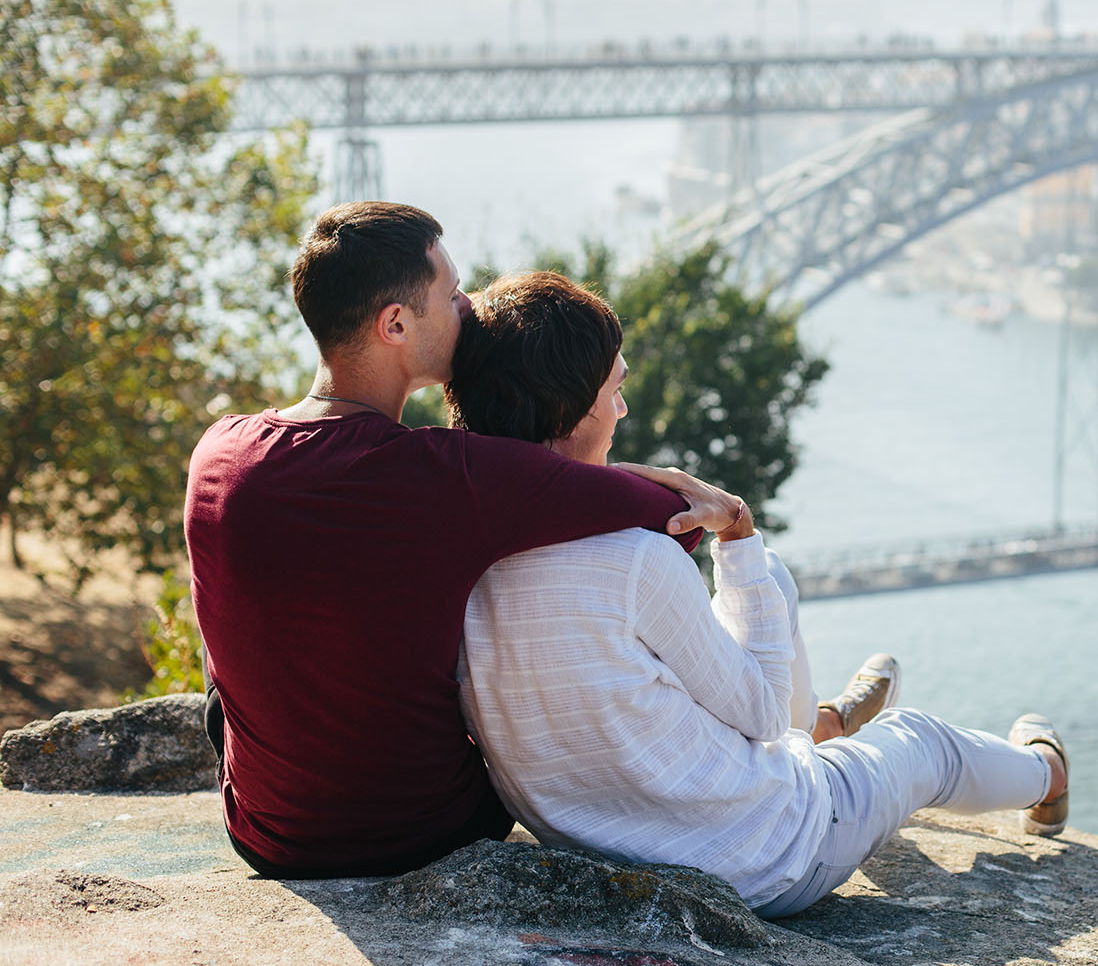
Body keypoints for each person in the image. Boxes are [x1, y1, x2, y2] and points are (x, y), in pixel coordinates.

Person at [448, 271, 1070, 917]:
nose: (622, 410)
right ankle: (1046, 772)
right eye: (616, 390)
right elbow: (763, 712)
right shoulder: (632, 560)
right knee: (920, 741)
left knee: (747, 608)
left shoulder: (453, 558)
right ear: (569, 410)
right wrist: (737, 535)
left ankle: (822, 732)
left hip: (605, 855)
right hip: (773, 857)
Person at [184, 202, 746, 879]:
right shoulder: (451, 475)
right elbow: (669, 517)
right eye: (451, 295)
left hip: (265, 835)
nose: (471, 309)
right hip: (430, 835)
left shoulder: (218, 453)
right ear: (395, 323)